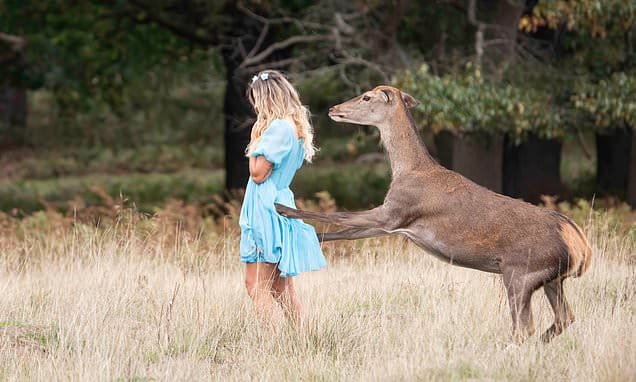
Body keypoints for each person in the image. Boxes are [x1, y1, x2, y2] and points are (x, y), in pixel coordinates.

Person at [239, 70, 327, 327]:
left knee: (257, 285)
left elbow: (257, 174)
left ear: (267, 98)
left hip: (267, 208)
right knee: (280, 287)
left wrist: (255, 140)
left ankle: (271, 344)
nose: (255, 106)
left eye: (256, 99)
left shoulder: (278, 129)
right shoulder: (293, 127)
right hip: (279, 201)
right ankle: (300, 337)